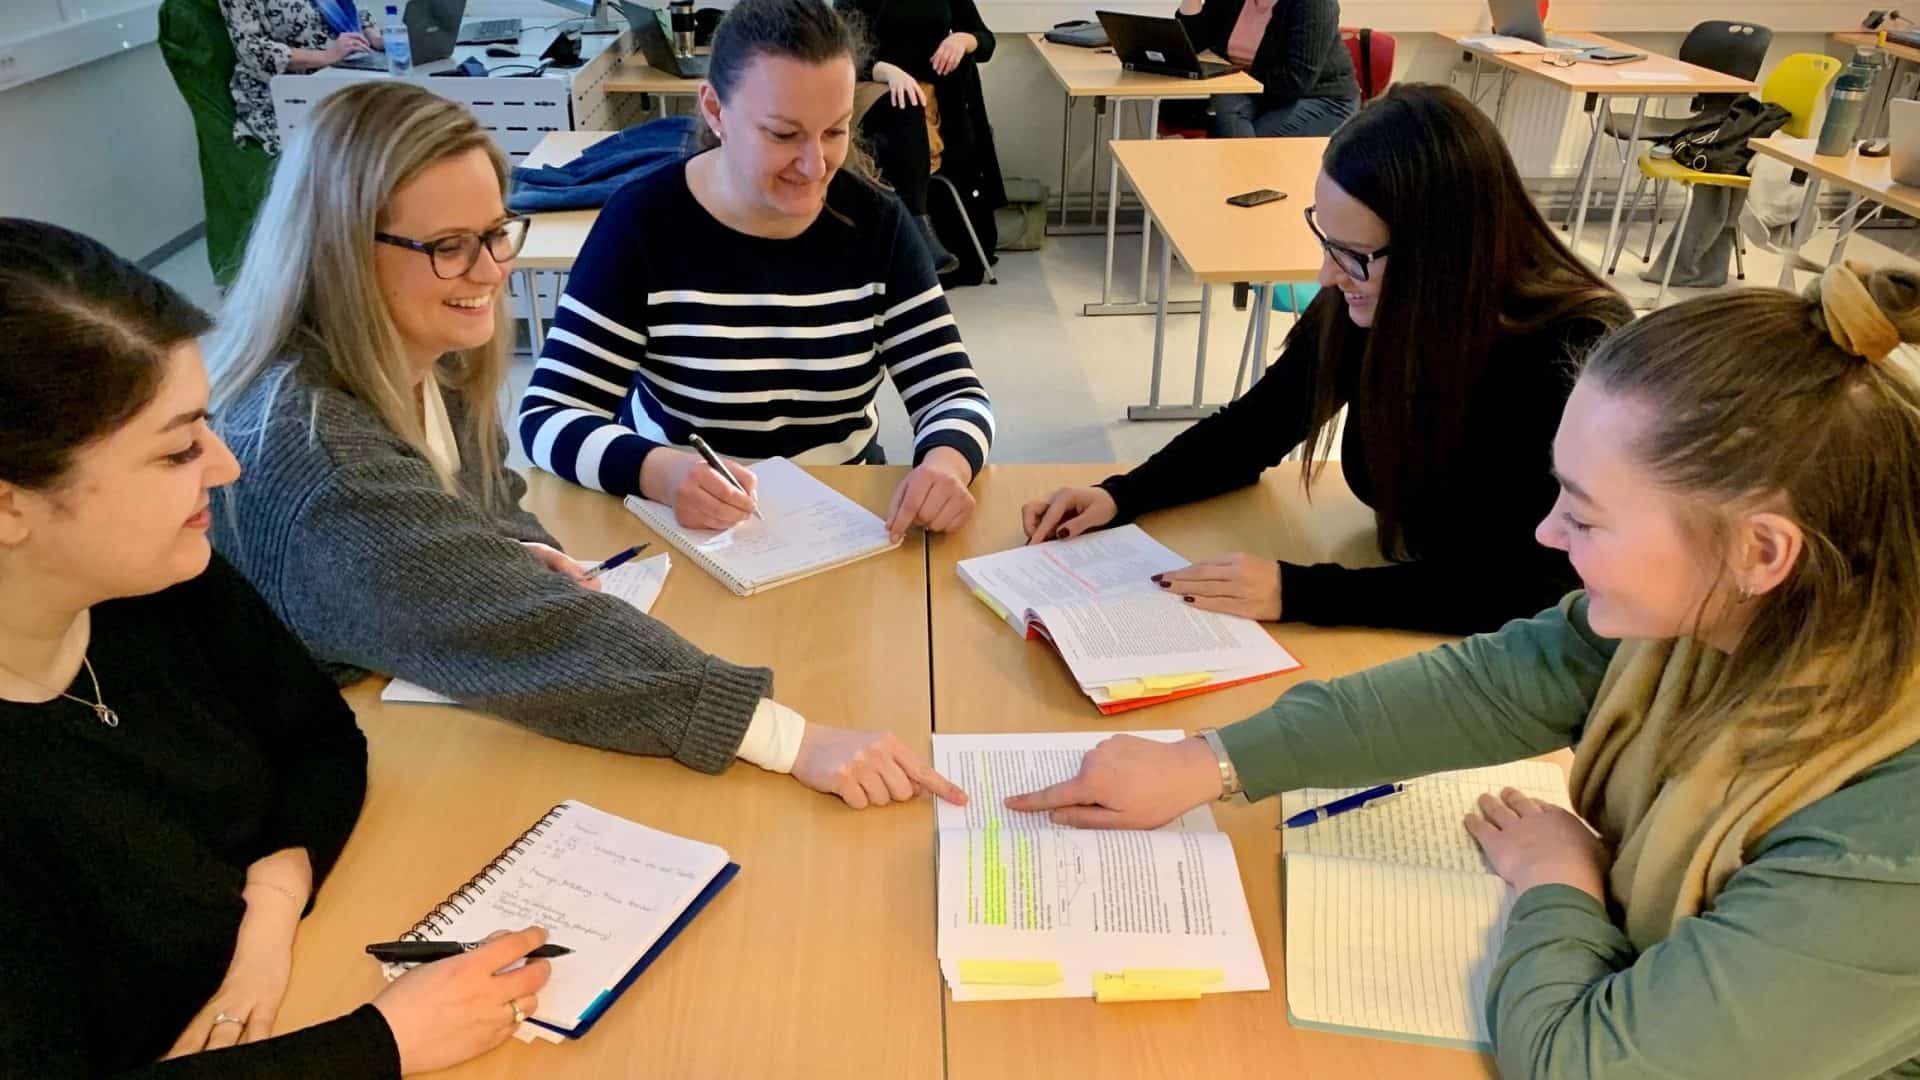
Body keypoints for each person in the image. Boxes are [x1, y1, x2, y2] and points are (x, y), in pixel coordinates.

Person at [1009, 265, 1920, 1078]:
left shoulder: (1887, 836)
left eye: (1588, 518)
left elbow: (1586, 1064)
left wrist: (1558, 880)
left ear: (1763, 552)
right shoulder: (1738, 613)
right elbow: (1493, 682)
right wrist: (1208, 761)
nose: (1548, 535)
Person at [208, 81, 962, 812]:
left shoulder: (416, 357)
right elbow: (529, 628)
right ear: (342, 250)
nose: (492, 270)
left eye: (497, 233)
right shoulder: (323, 454)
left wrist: (512, 552)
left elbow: (488, 506)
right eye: (447, 246)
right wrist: (795, 740)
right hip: (286, 777)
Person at [0, 217, 554, 1076]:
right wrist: (385, 1042)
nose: (224, 467)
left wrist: (270, 905)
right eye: (178, 448)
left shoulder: (157, 583)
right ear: (10, 506)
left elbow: (320, 739)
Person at [1023, 84, 1631, 636]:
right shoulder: (1377, 297)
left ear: (1441, 252)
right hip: (1403, 595)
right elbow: (1259, 424)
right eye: (1326, 241)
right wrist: (1121, 494)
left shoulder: (1572, 354)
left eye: (1353, 253)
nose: (1326, 275)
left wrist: (1299, 590)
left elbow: (1526, 586)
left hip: (1506, 643)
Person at [519, 0, 995, 542]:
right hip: (682, 521)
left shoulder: (878, 224)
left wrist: (946, 464)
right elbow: (547, 415)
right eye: (782, 134)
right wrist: (661, 473)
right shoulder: (642, 223)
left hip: (839, 510)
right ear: (716, 111)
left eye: (835, 131)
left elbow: (954, 394)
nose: (816, 165)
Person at [839, 0, 1006, 278]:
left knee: (914, 103)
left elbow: (985, 41)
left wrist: (964, 40)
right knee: (906, 106)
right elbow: (840, 51)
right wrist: (886, 71)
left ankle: (923, 234)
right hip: (878, 90)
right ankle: (919, 229)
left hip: (932, 94)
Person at [1173, 0, 1357, 138]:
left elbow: (1297, 80)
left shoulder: (1313, 4)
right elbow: (1193, 44)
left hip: (1320, 98)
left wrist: (1237, 79)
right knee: (1224, 110)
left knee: (1249, 143)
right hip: (1254, 90)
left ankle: (1241, 181)